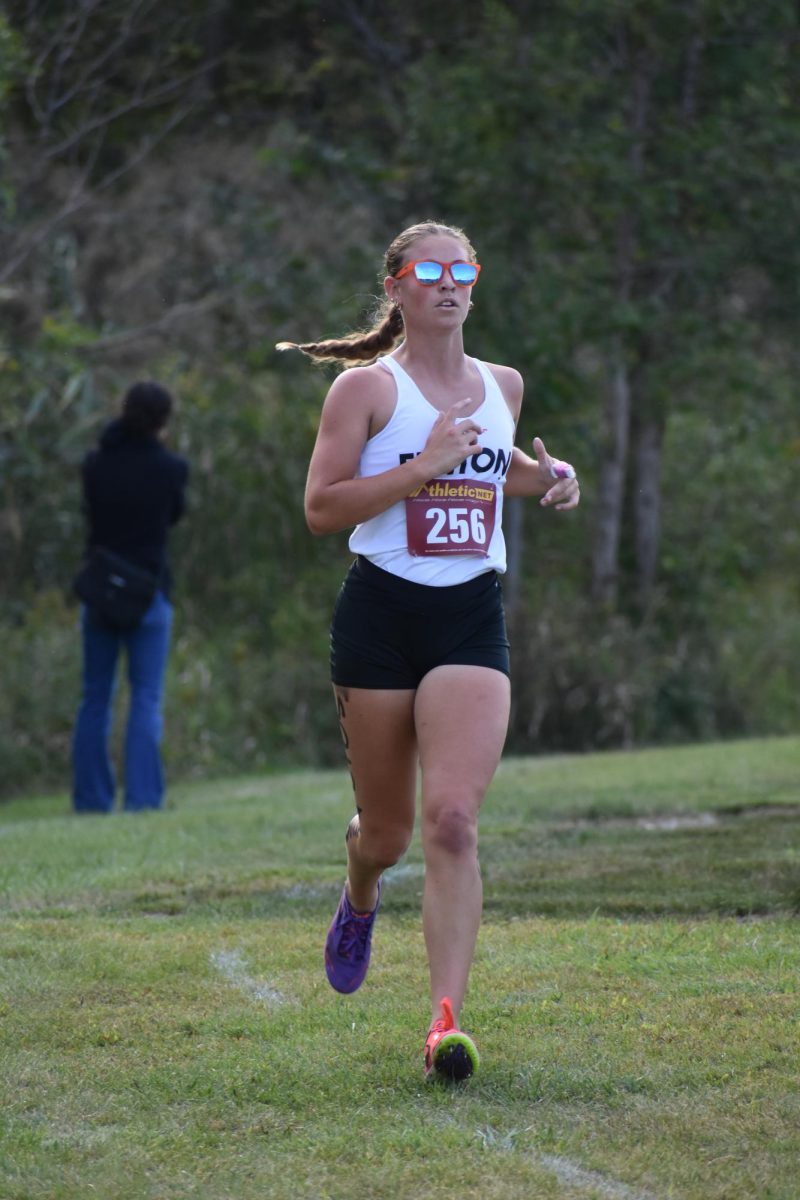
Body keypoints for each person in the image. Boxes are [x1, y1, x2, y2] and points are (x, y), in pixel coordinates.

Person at [277, 220, 580, 1081]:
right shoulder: (367, 392)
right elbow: (322, 509)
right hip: (380, 618)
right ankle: (360, 890)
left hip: (468, 620)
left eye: (462, 270)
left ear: (474, 286)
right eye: (429, 271)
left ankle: (444, 1023)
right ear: (399, 288)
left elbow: (493, 469)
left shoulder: (503, 385)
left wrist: (552, 481)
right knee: (389, 831)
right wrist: (418, 468)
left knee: (453, 820)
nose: (448, 283)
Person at [71, 381, 189, 813]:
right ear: (162, 421)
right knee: (145, 697)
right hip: (148, 593)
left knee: (95, 696)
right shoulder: (170, 468)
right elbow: (173, 515)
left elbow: (91, 513)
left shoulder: (95, 463)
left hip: (99, 590)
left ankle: (91, 799)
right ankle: (142, 799)